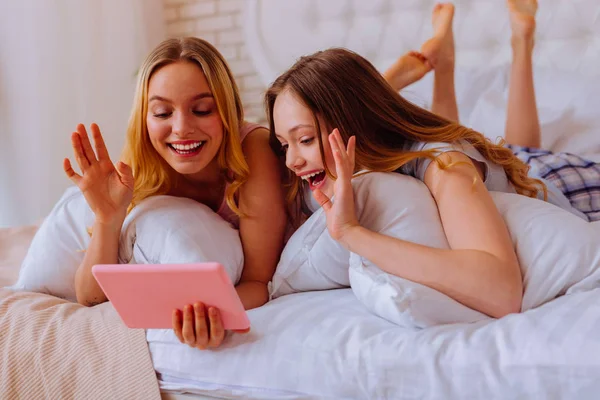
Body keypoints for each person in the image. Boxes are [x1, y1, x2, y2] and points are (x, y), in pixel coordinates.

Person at [264, 6, 592, 319]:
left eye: (305, 140)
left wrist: (352, 233)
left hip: (556, 179)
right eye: (283, 145)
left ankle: (521, 42)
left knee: (522, 149)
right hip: (453, 154)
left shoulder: (447, 167)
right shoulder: (327, 170)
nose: (292, 160)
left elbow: (501, 291)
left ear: (352, 121)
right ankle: (431, 69)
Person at [63, 37, 287, 349]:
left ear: (227, 111)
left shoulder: (254, 149)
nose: (181, 127)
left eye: (202, 109)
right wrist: (107, 219)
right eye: (162, 113)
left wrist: (210, 315)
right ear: (145, 118)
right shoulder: (140, 166)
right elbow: (89, 296)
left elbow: (258, 282)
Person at [383, 0, 600, 221]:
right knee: (513, 158)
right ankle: (519, 43)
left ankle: (504, 47)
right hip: (552, 179)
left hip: (532, 179)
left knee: (469, 159)